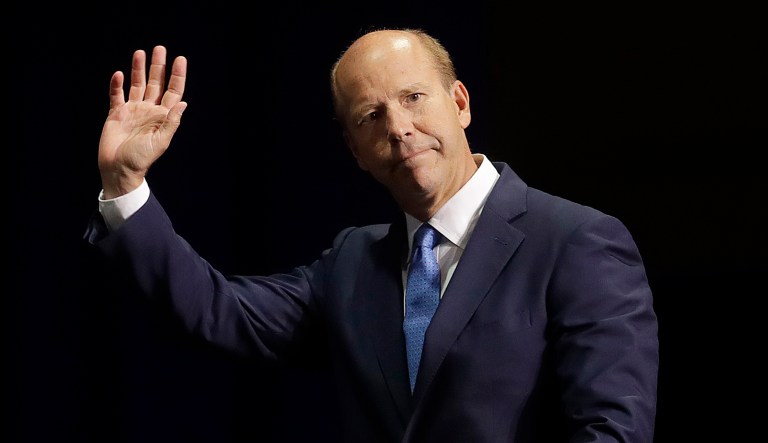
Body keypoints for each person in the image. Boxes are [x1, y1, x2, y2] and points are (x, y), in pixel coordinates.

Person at [84, 28, 659, 442]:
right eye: (370, 117)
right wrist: (126, 183)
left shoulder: (576, 241)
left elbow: (613, 430)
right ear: (355, 151)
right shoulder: (352, 263)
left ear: (458, 103)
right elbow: (219, 312)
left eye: (413, 98)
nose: (400, 128)